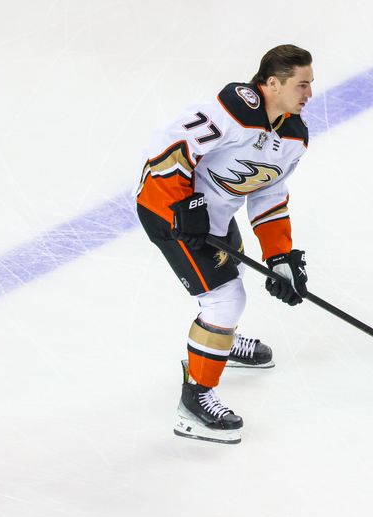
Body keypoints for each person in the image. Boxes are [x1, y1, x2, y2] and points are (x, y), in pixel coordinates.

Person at [135, 44, 314, 444]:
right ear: (272, 83)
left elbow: (268, 195)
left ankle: (220, 342)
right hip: (170, 214)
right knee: (224, 299)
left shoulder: (293, 136)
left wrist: (280, 257)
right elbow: (169, 148)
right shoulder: (235, 110)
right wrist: (181, 205)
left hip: (214, 216)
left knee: (228, 278)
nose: (309, 94)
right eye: (302, 84)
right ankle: (194, 402)